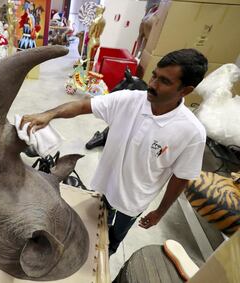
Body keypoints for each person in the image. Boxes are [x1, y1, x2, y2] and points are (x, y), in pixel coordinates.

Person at [20, 49, 208, 256]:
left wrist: (159, 212)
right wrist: (49, 114)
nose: (152, 84)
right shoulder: (130, 100)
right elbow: (83, 105)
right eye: (154, 75)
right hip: (100, 188)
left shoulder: (192, 133)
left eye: (164, 81)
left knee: (106, 247)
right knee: (84, 233)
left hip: (128, 207)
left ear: (185, 90)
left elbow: (181, 178)